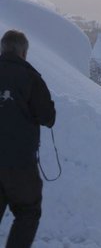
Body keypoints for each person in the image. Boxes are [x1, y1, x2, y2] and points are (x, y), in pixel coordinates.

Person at [0, 30, 56, 248]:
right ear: (23, 52)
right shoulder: (30, 77)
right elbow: (48, 117)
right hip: (19, 162)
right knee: (27, 211)